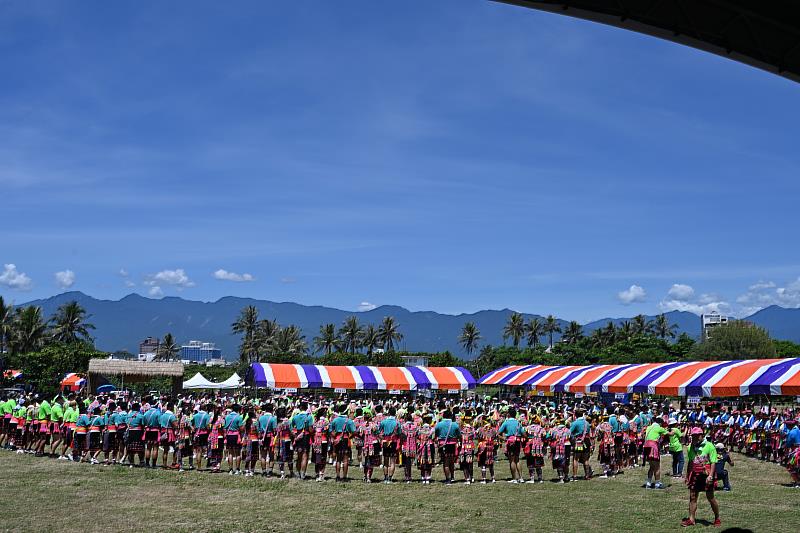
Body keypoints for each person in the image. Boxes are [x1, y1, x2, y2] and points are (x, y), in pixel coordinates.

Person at [682, 427, 721, 528]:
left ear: (701, 435)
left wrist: (711, 476)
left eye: (696, 436)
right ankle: (691, 519)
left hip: (706, 474)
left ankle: (717, 518)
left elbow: (713, 462)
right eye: (693, 436)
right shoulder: (690, 447)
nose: (694, 438)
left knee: (710, 497)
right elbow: (690, 462)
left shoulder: (709, 446)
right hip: (695, 474)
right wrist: (687, 476)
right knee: (693, 497)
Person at [329, 404, 355, 482]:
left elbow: (331, 431)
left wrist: (334, 437)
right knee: (345, 459)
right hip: (346, 439)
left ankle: (337, 476)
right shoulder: (349, 421)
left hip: (337, 439)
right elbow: (354, 431)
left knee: (338, 459)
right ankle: (344, 477)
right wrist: (350, 437)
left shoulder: (335, 420)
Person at [643, 418, 671, 489]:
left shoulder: (649, 427)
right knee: (657, 467)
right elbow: (670, 434)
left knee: (651, 466)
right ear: (660, 423)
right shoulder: (659, 428)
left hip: (646, 447)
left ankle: (648, 483)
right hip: (653, 447)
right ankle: (657, 484)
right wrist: (674, 430)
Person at [435, 409, 461, 484]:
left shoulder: (439, 424)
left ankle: (448, 479)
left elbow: (436, 434)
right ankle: (452, 477)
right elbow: (459, 435)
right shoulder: (455, 424)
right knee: (452, 462)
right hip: (453, 445)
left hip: (443, 445)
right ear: (450, 416)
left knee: (446, 463)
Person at [498, 408, 522, 483]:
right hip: (517, 441)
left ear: (508, 414)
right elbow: (523, 432)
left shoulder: (506, 422)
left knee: (512, 460)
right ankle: (521, 477)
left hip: (510, 441)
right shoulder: (518, 422)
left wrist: (503, 439)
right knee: (517, 459)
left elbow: (498, 433)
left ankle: (514, 478)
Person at [290, 401, 312, 480]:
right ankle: (303, 474)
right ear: (306, 408)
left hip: (298, 436)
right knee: (305, 456)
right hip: (306, 437)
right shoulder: (309, 417)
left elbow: (291, 427)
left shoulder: (295, 417)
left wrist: (295, 435)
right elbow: (310, 429)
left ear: (300, 407)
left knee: (299, 456)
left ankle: (298, 472)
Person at [378, 406, 400, 484]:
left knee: (386, 461)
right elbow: (399, 433)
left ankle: (385, 478)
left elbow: (378, 431)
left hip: (385, 441)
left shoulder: (383, 421)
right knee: (393, 462)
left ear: (389, 413)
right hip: (393, 441)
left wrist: (381, 437)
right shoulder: (397, 422)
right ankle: (390, 478)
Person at [570, 408, 593, 481]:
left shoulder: (575, 423)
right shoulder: (587, 423)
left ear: (575, 415)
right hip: (586, 441)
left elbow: (570, 432)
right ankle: (587, 475)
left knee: (576, 459)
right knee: (586, 459)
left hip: (578, 442)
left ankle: (575, 476)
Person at [224, 404, 244, 475]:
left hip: (229, 435)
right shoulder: (239, 417)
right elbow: (241, 428)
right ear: (238, 410)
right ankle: (237, 469)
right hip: (236, 436)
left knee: (230, 453)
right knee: (238, 453)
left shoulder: (227, 417)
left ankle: (230, 469)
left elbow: (225, 427)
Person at [783, 419, 800, 488]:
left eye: (787, 425)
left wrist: (785, 446)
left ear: (789, 425)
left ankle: (798, 482)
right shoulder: (798, 430)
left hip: (797, 451)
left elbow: (788, 444)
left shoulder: (792, 432)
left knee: (790, 466)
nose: (786, 426)